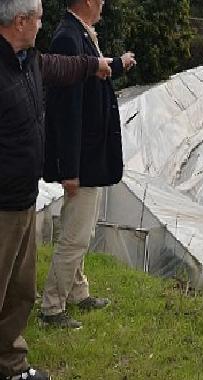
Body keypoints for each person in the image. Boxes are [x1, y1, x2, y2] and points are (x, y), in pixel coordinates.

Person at [0, 0, 111, 377]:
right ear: (19, 22)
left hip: (22, 197)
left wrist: (93, 65)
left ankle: (13, 364)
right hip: (3, 200)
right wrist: (70, 167)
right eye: (37, 18)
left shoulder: (28, 59)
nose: (42, 25)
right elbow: (68, 111)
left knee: (19, 290)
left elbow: (60, 67)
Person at [39, 0, 136, 329]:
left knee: (82, 227)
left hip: (88, 154)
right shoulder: (68, 38)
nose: (104, 4)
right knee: (76, 234)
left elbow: (98, 73)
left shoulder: (80, 33)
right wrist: (70, 169)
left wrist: (119, 66)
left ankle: (78, 290)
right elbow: (67, 110)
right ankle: (52, 305)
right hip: (80, 158)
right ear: (89, 2)